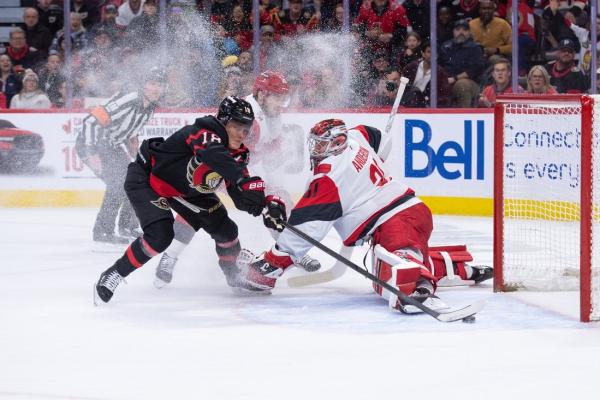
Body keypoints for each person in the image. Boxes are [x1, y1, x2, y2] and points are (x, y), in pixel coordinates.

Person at [236, 119, 492, 313]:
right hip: (404, 215)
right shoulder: (355, 138)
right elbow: (376, 135)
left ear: (337, 142)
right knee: (382, 264)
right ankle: (462, 268)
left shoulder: (329, 177)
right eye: (315, 143)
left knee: (393, 272)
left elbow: (305, 231)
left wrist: (270, 265)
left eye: (321, 144)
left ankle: (419, 289)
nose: (315, 149)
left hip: (397, 219)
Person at [93, 96, 280, 303]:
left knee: (226, 229)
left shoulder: (238, 154)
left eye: (246, 129)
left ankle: (234, 276)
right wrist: (241, 179)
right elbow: (213, 154)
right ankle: (114, 273)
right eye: (236, 126)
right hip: (148, 178)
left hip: (187, 191)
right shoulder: (204, 131)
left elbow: (239, 194)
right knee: (160, 236)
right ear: (223, 121)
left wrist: (263, 205)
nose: (241, 134)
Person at [153, 71, 319, 288]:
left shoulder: (272, 117)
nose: (281, 104)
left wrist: (273, 186)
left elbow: (266, 155)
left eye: (283, 98)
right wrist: (258, 186)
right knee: (198, 208)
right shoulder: (251, 120)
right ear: (261, 95)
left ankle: (291, 250)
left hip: (236, 168)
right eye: (277, 97)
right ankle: (170, 256)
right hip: (218, 167)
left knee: (278, 201)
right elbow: (232, 157)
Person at [75, 67, 165, 245]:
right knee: (118, 185)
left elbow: (130, 130)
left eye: (160, 85)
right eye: (153, 84)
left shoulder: (150, 107)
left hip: (112, 146)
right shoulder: (129, 99)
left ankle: (127, 227)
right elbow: (91, 122)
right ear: (143, 85)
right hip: (92, 143)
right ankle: (102, 231)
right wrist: (91, 152)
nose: (157, 88)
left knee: (136, 182)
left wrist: (134, 148)